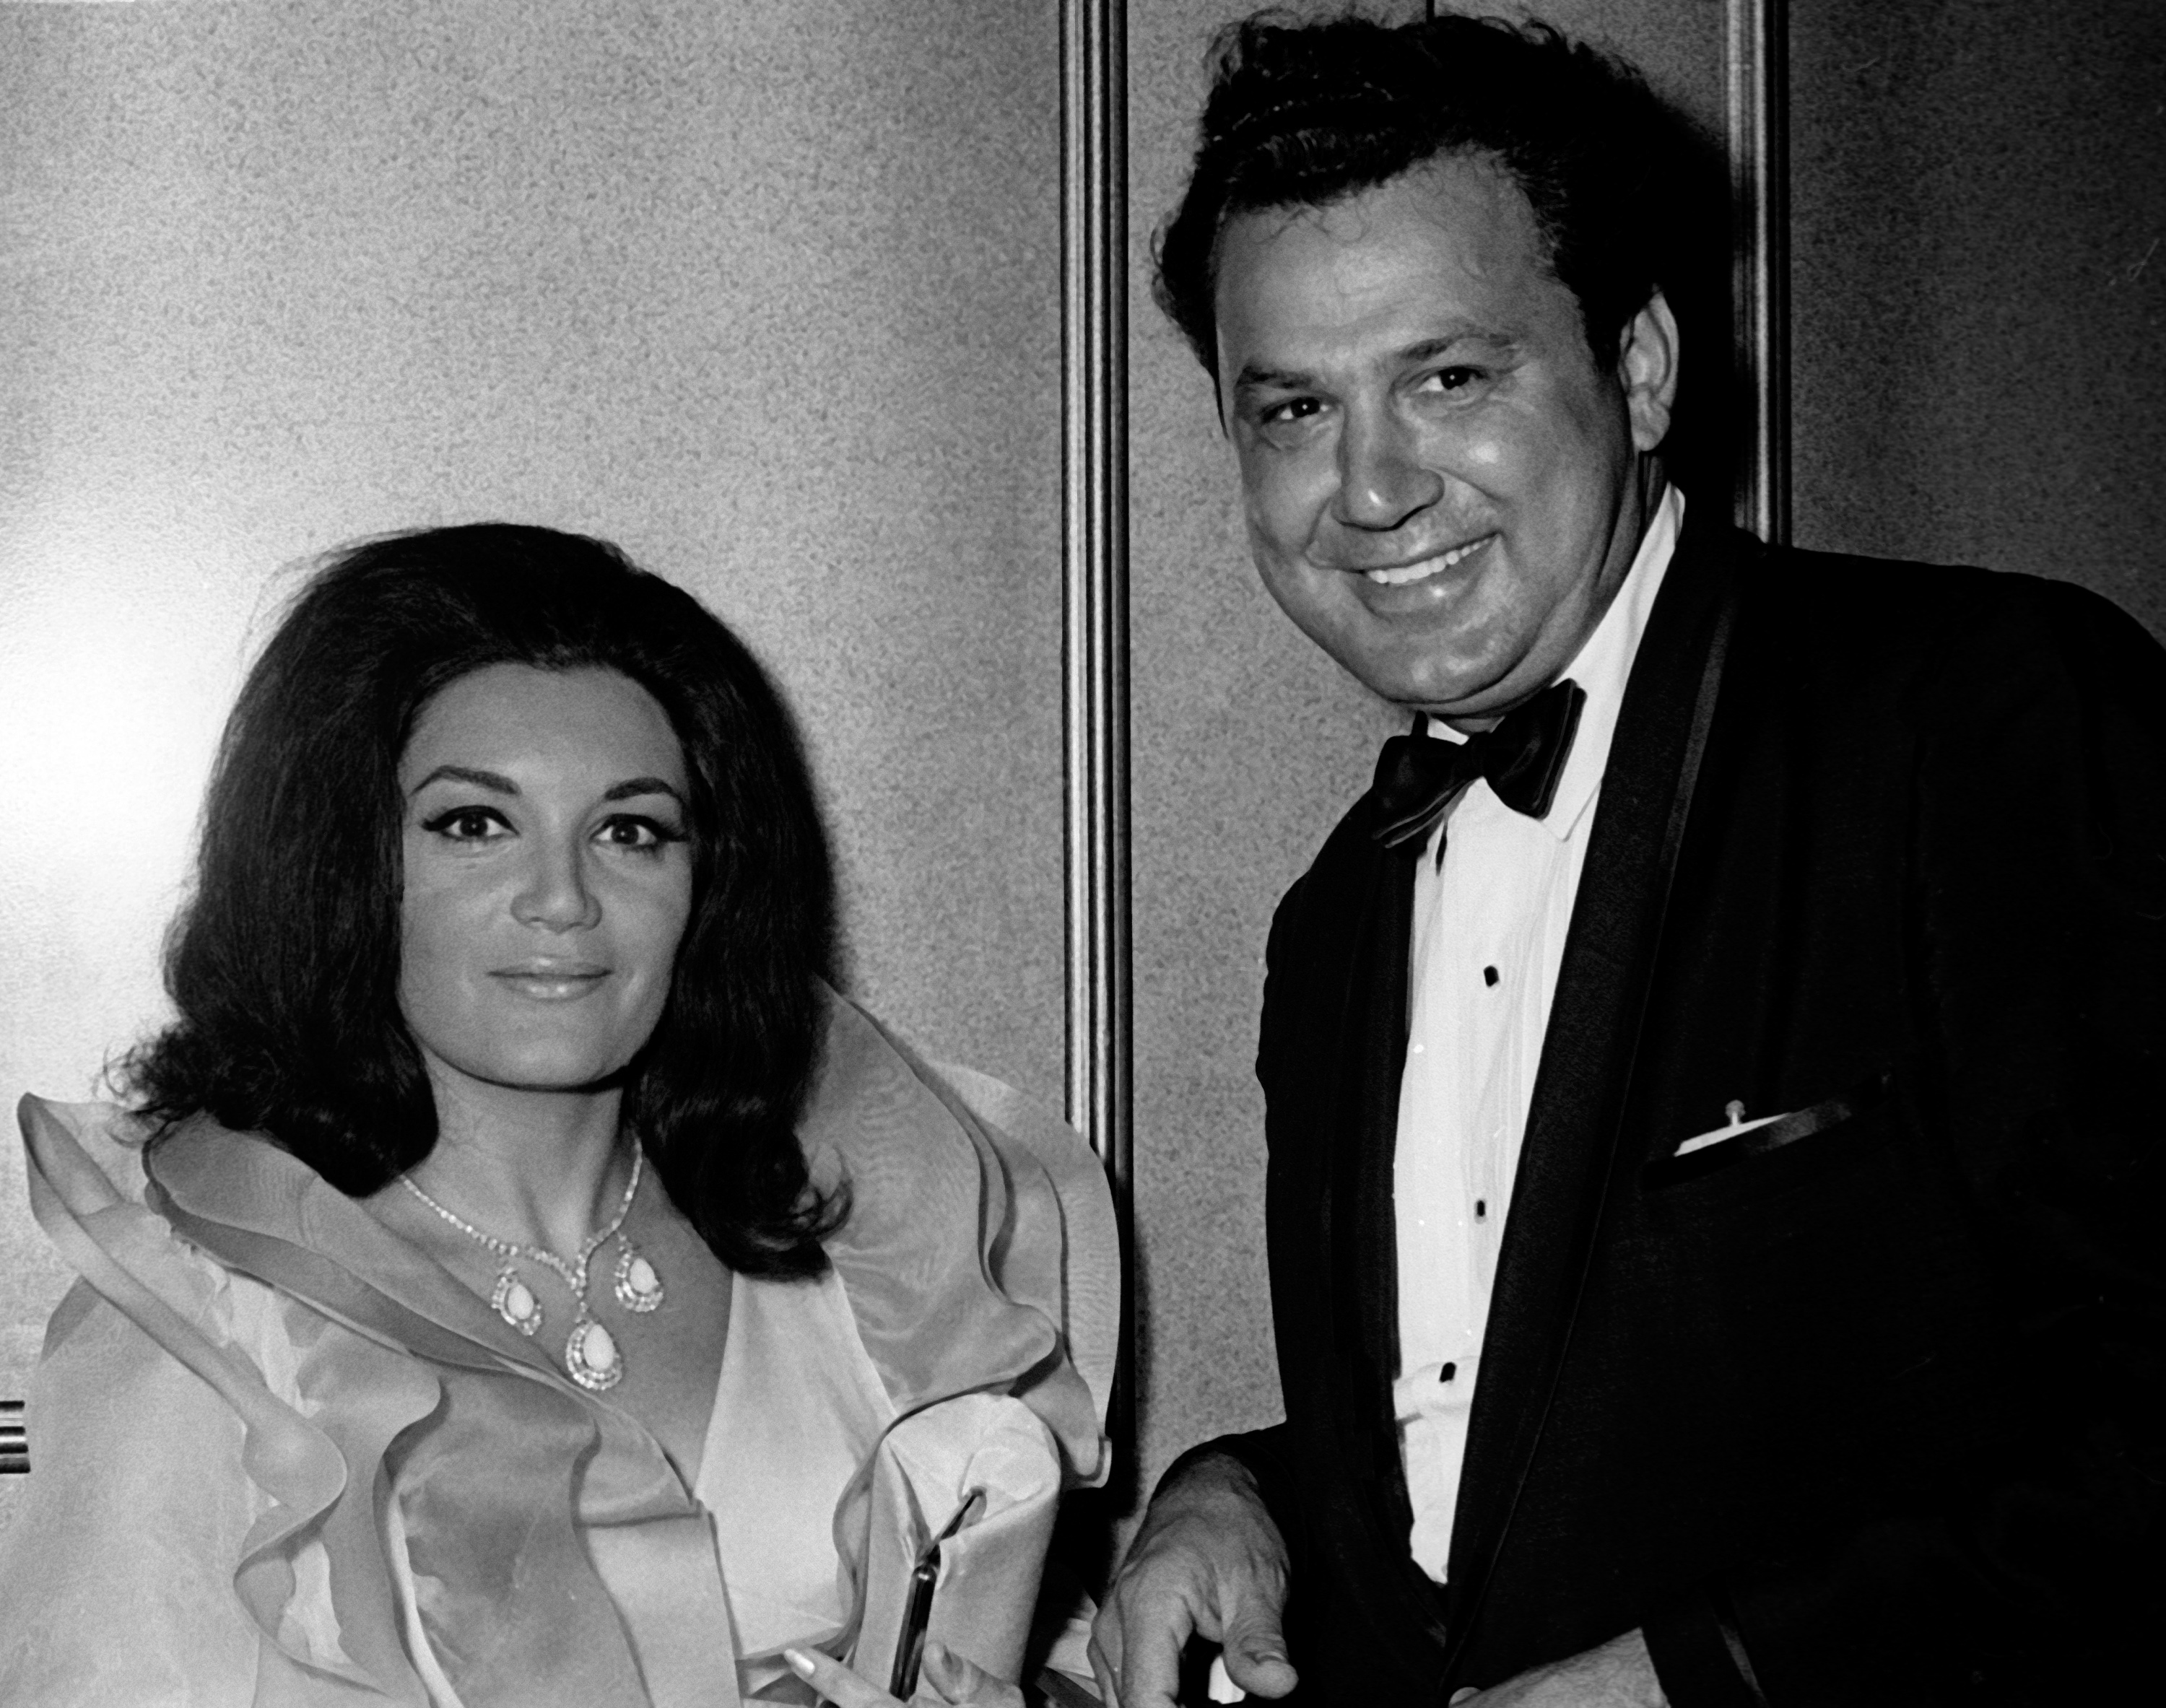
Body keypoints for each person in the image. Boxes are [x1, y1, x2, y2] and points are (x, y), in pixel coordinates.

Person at [1092, 11, 2165, 1707]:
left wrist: (1703, 1677)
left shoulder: (1984, 719)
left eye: (1450, 378)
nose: (1370, 489)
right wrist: (1245, 1497)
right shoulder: (1340, 915)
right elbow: (1526, 1442)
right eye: (1294, 407)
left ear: (1643, 368)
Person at [0, 523, 1114, 1707]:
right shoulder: (210, 1319)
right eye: (475, 824)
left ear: (709, 880)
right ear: (347, 865)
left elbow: (1025, 1646)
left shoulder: (861, 1250)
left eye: (631, 830)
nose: (563, 899)